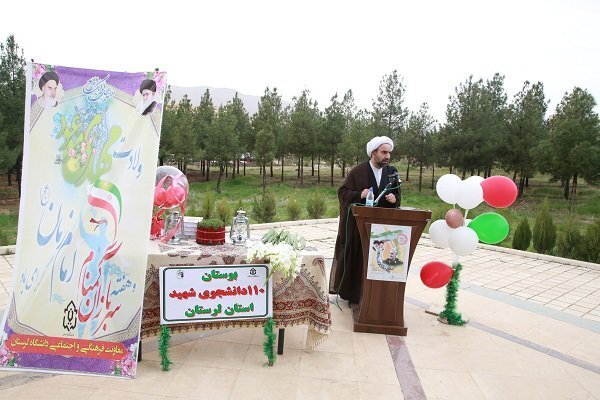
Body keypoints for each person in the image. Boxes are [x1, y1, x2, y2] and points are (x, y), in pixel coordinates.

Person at [329, 135, 400, 304]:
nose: (387, 156)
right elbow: (343, 193)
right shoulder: (358, 171)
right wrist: (358, 195)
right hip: (359, 228)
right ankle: (354, 294)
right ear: (373, 152)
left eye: (389, 153)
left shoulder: (391, 172)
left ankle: (376, 295)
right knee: (358, 259)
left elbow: (397, 195)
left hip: (382, 230)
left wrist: (394, 199)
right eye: (384, 152)